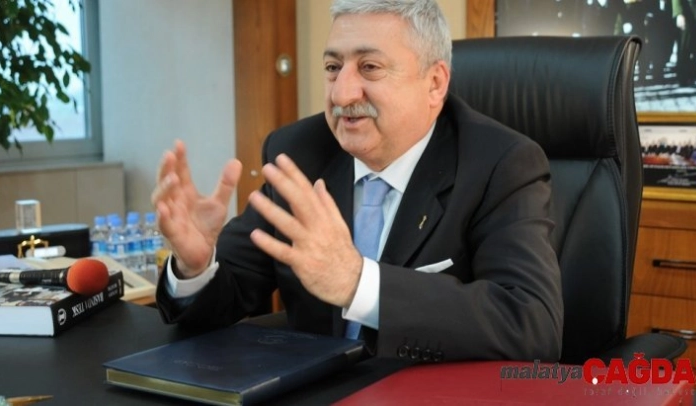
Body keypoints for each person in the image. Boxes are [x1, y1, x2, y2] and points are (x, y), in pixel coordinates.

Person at [151, 0, 563, 363]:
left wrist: (358, 283)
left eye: (369, 67)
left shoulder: (499, 164)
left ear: (435, 83)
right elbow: (229, 295)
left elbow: (531, 325)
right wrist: (194, 267)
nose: (342, 94)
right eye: (333, 68)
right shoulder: (300, 152)